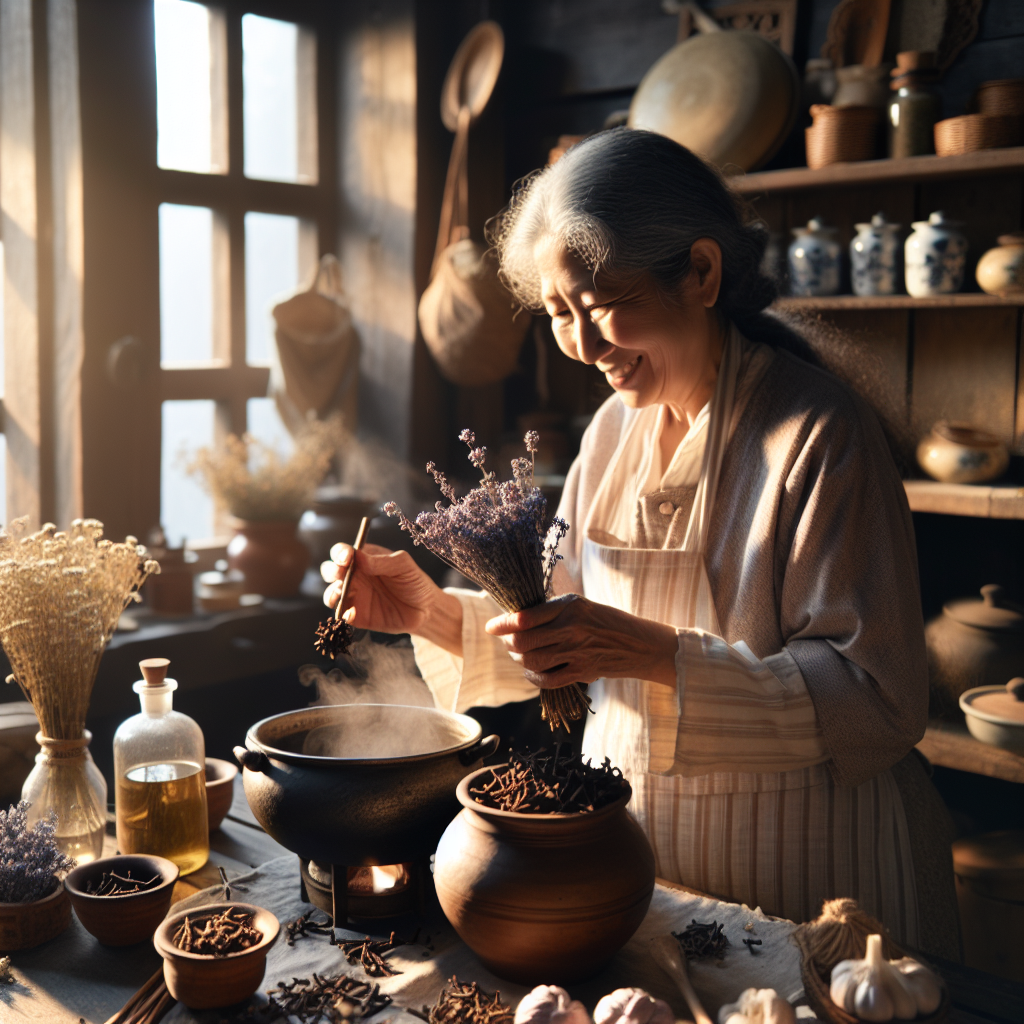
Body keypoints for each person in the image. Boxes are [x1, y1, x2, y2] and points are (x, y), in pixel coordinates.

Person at [322, 128, 958, 954]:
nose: (583, 343)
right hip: (633, 871)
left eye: (602, 302)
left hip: (812, 877)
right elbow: (569, 637)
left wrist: (658, 655)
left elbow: (878, 701)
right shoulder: (612, 434)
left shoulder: (815, 433)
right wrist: (436, 615)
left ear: (700, 271)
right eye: (558, 312)